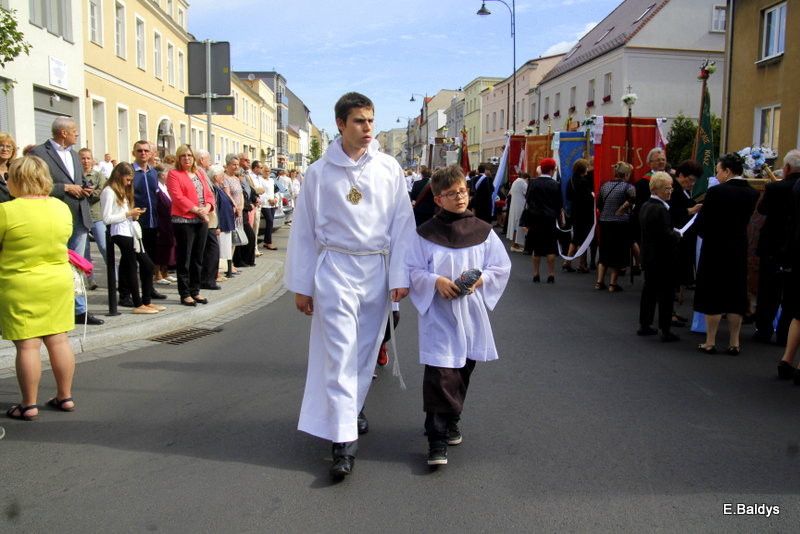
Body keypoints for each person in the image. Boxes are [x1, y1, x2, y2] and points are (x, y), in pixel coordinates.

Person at [285, 92, 415, 478]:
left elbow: (402, 225)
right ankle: (343, 443)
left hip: (375, 267)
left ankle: (352, 407)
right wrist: (301, 284)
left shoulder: (389, 168)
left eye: (371, 120)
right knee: (340, 352)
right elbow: (305, 231)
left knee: (364, 353)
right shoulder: (319, 172)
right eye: (359, 121)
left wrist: (400, 276)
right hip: (335, 268)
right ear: (341, 124)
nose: (368, 128)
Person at [406, 165, 511, 466]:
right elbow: (412, 269)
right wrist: (435, 282)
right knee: (441, 372)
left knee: (464, 367)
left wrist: (478, 281)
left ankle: (452, 417)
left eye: (463, 191)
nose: (460, 197)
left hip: (470, 311)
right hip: (439, 312)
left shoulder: (483, 231)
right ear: (438, 199)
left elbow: (500, 267)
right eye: (451, 194)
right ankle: (436, 438)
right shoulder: (425, 234)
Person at [1, 156, 78, 420]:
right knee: (59, 339)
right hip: (57, 280)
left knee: (27, 346)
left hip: (20, 282)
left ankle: (28, 403)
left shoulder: (7, 210)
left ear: (18, 179)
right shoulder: (60, 207)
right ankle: (65, 396)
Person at [29, 117, 104, 325]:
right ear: (63, 133)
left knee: (76, 266)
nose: (77, 134)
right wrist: (65, 188)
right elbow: (35, 185)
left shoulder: (73, 154)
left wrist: (85, 188)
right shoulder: (39, 154)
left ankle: (79, 311)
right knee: (54, 265)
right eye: (74, 131)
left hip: (79, 217)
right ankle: (54, 309)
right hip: (54, 218)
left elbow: (79, 182)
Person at [694, 152, 759, 355]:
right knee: (735, 293)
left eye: (719, 171)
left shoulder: (717, 192)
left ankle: (711, 340)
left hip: (715, 246)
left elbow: (703, 223)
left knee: (712, 293)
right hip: (738, 246)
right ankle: (734, 341)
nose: (717, 174)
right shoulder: (752, 193)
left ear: (728, 171)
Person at [101, 163, 162, 314]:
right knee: (131, 266)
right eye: (127, 180)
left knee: (147, 265)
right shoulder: (109, 191)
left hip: (130, 230)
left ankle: (146, 301)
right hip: (119, 232)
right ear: (119, 176)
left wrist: (133, 214)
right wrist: (128, 214)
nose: (129, 183)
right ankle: (137, 303)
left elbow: (122, 212)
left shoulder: (122, 190)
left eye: (130, 180)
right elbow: (107, 218)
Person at [755, 150, 800, 346]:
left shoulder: (775, 187)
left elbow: (763, 209)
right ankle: (784, 334)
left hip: (773, 244)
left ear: (787, 168)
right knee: (791, 295)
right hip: (795, 246)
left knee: (768, 291)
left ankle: (764, 330)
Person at [167, 145, 215, 307]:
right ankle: (185, 293)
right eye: (183, 156)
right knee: (185, 258)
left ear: (193, 158)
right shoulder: (174, 174)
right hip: (184, 221)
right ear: (178, 159)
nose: (186, 158)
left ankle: (196, 290)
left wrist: (207, 208)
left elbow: (209, 194)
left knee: (197, 258)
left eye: (189, 155)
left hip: (201, 220)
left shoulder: (200, 173)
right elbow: (177, 197)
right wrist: (197, 211)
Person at [637, 172, 681, 341]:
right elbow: (665, 235)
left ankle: (645, 324)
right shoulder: (660, 209)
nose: (670, 191)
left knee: (649, 291)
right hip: (663, 258)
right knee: (666, 294)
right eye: (666, 188)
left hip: (649, 256)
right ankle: (665, 328)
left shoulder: (646, 205)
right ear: (655, 190)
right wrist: (677, 235)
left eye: (671, 188)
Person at [595, 162, 636, 292]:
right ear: (626, 174)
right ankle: (613, 283)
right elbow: (634, 199)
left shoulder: (605, 186)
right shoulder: (628, 187)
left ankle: (599, 281)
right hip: (620, 222)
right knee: (618, 251)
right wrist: (623, 208)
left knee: (605, 250)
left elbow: (599, 203)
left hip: (605, 221)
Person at [524, 158, 562, 283]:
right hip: (550, 219)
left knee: (536, 247)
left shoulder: (533, 183)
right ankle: (551, 274)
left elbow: (528, 200)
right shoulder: (556, 185)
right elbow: (559, 203)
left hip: (535, 219)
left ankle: (536, 273)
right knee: (551, 247)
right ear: (551, 170)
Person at [79, 148, 108, 290]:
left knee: (104, 246)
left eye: (88, 158)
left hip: (97, 215)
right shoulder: (75, 176)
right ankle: (90, 279)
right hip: (81, 217)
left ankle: (113, 276)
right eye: (82, 158)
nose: (85, 161)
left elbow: (100, 191)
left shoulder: (98, 176)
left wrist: (84, 194)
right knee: (85, 250)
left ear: (92, 160)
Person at [563, 159, 593, 272]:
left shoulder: (570, 180)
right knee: (583, 239)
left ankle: (568, 261)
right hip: (584, 212)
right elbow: (588, 198)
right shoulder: (584, 181)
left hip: (575, 210)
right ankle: (581, 264)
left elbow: (568, 196)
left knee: (576, 237)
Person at [208, 164, 236, 279]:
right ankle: (218, 272)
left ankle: (226, 270)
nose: (223, 177)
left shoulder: (218, 188)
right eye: (221, 175)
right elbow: (216, 208)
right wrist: (218, 225)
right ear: (215, 177)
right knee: (221, 249)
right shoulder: (214, 189)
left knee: (226, 248)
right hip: (221, 223)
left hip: (226, 222)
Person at [153, 164, 177, 286]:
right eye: (169, 173)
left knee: (169, 246)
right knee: (160, 247)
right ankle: (157, 273)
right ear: (162, 175)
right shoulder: (157, 188)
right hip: (161, 221)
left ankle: (165, 271)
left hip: (169, 220)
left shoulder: (166, 187)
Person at [506, 172, 529, 252]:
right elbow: (527, 194)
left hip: (514, 206)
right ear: (527, 179)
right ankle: (515, 245)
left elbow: (510, 193)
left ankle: (515, 244)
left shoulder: (515, 182)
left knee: (514, 226)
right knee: (518, 226)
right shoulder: (523, 183)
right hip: (520, 206)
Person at [259, 167, 278, 250]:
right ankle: (269, 242)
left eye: (269, 171)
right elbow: (261, 192)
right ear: (262, 171)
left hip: (272, 204)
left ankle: (267, 242)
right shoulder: (260, 180)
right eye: (265, 171)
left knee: (270, 223)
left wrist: (275, 199)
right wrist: (269, 199)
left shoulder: (271, 180)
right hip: (265, 204)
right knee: (269, 220)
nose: (267, 173)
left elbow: (273, 191)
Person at [0, 131, 18, 202]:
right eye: (1, 145)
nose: (5, 149)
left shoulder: (16, 170)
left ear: (13, 150)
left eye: (8, 146)